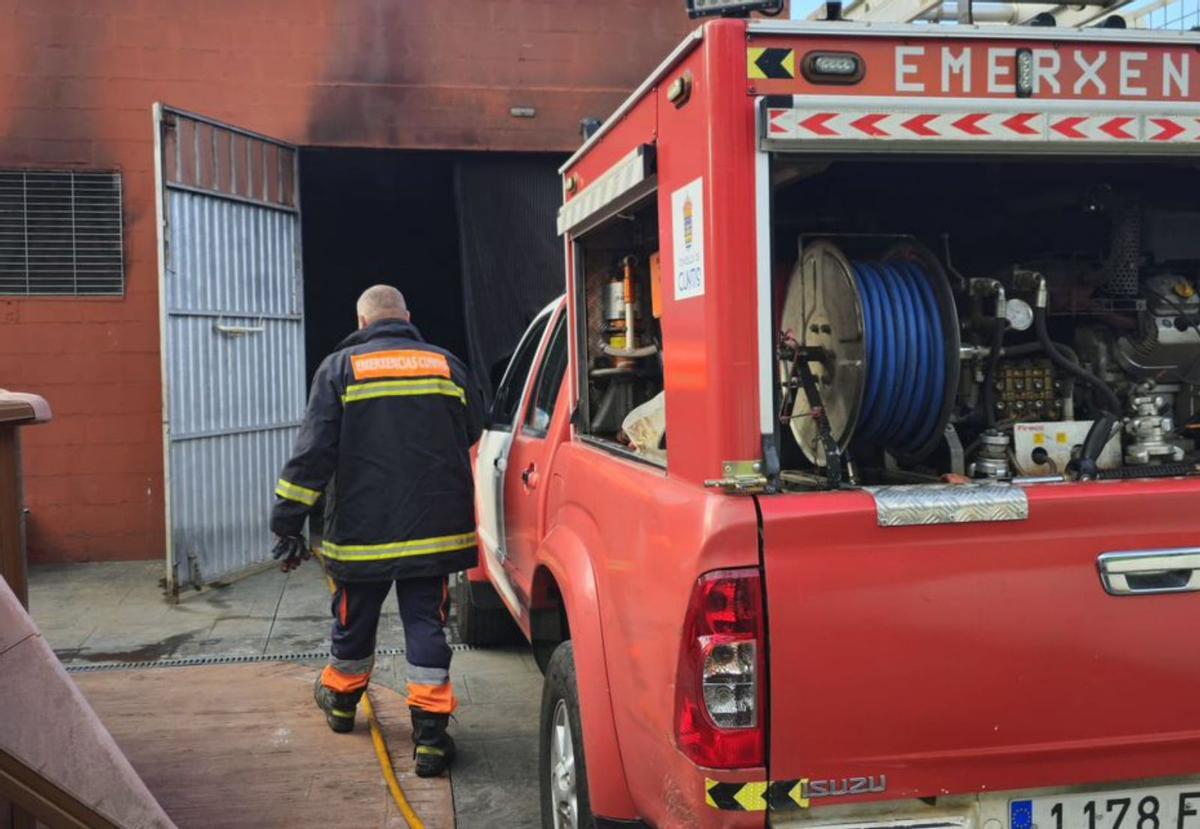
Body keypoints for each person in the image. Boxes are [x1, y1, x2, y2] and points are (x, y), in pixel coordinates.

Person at [269, 284, 481, 778]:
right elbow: (472, 428)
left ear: (362, 323)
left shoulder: (340, 369)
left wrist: (287, 521)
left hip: (361, 534)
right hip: (433, 531)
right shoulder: (446, 363)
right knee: (426, 624)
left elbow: (313, 453)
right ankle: (430, 739)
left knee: (354, 618)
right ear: (406, 316)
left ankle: (342, 705)